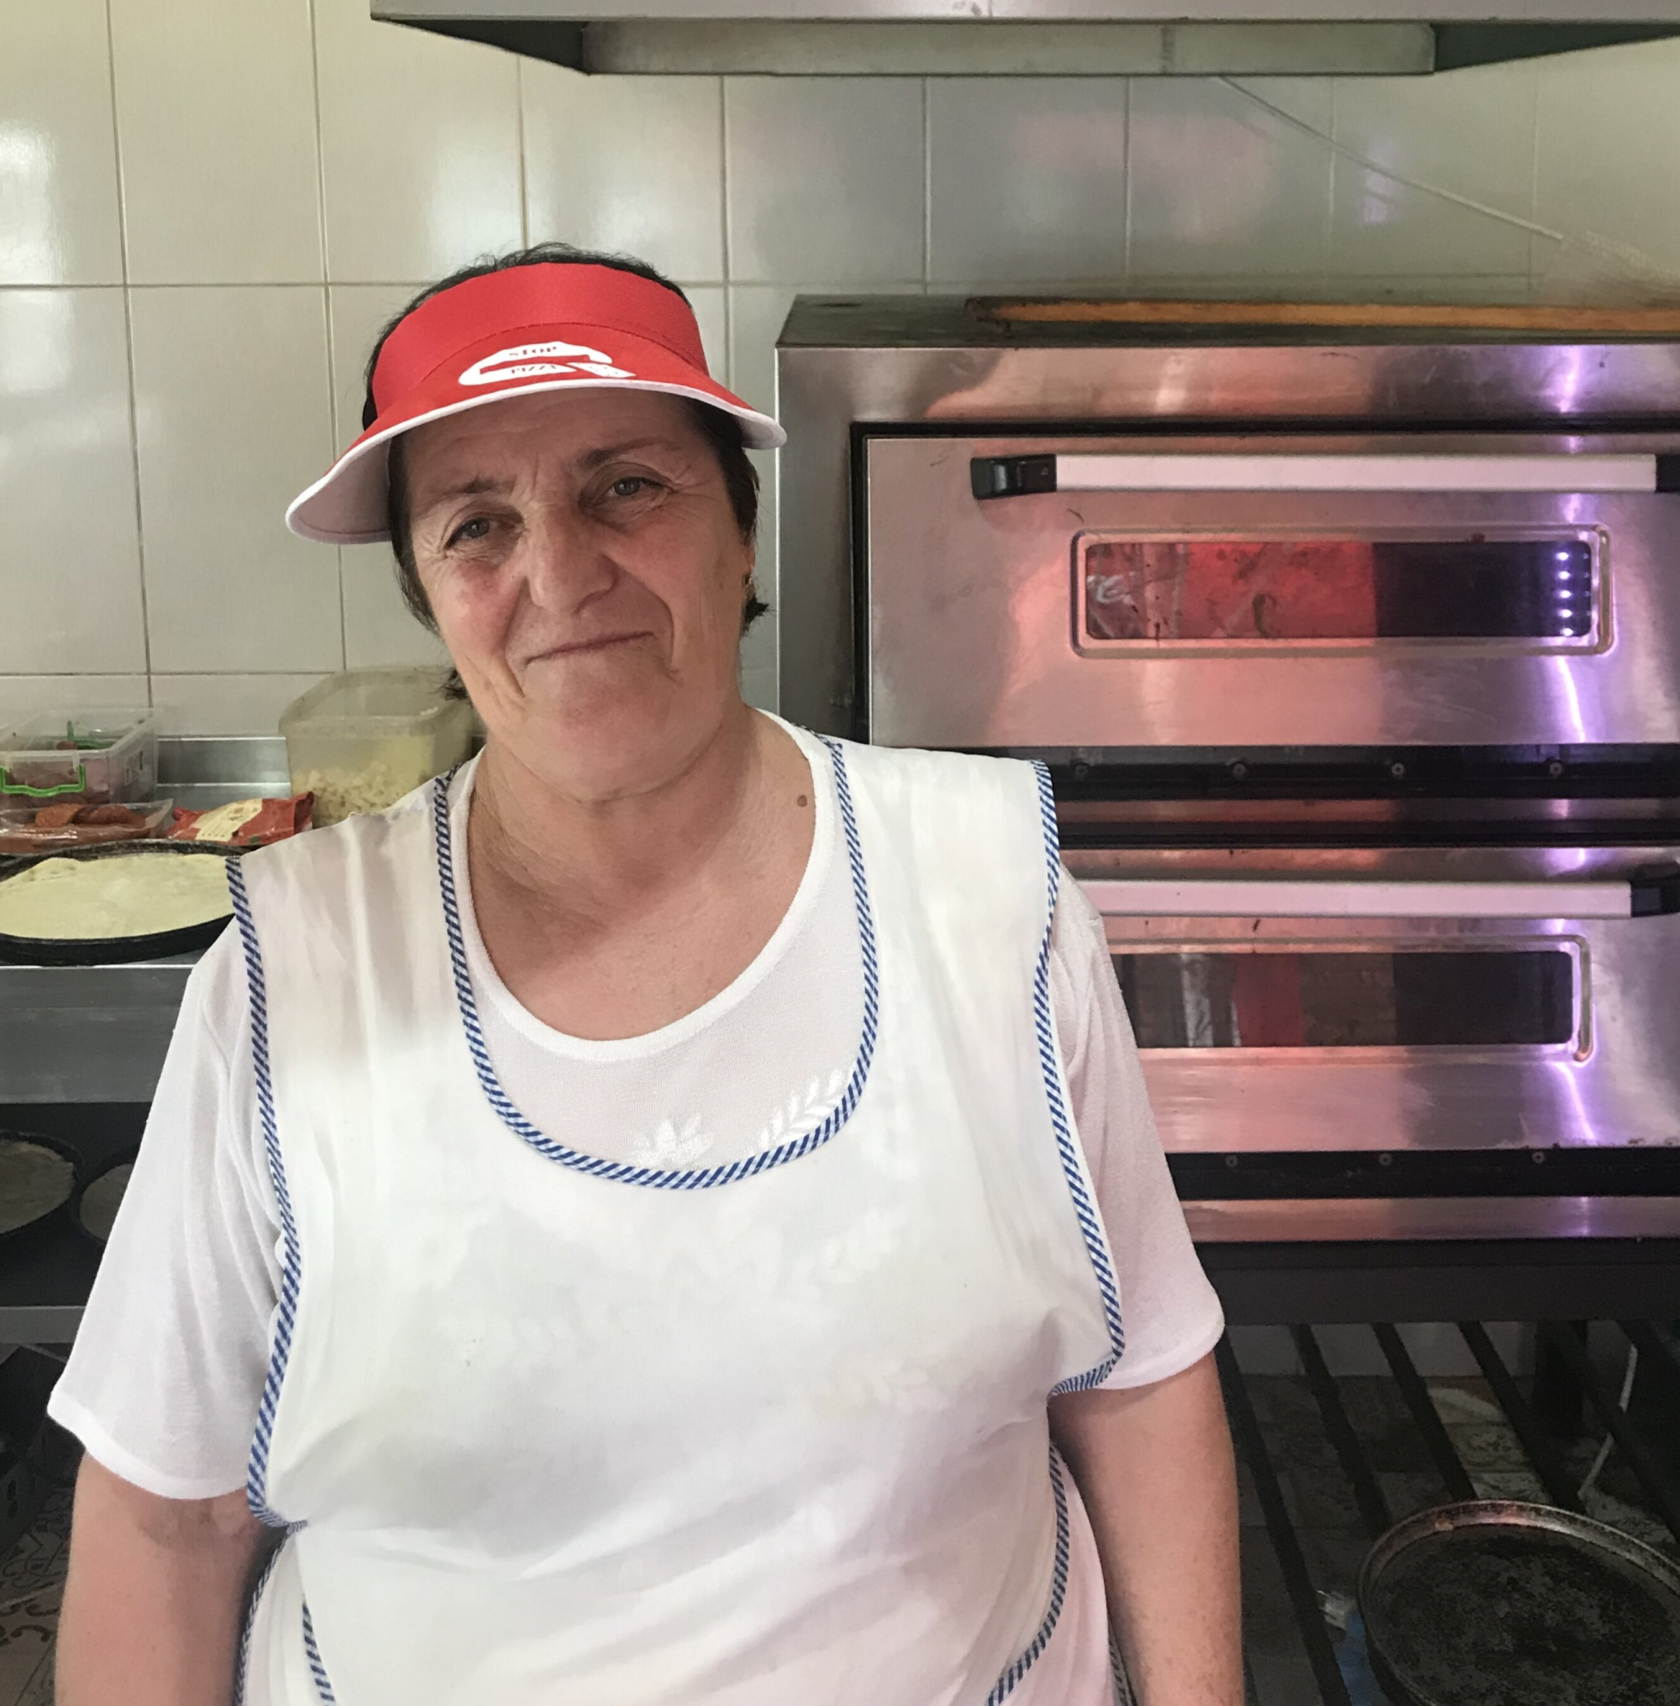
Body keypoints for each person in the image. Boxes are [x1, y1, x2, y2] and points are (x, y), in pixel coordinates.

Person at [49, 243, 1240, 1706]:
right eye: (477, 523)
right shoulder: (289, 982)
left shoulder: (986, 896)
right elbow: (166, 1520)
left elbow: (1139, 1376)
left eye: (627, 486)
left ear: (742, 535)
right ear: (431, 600)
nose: (560, 575)